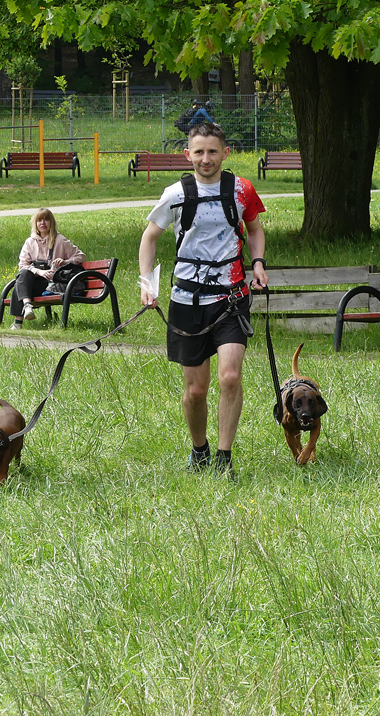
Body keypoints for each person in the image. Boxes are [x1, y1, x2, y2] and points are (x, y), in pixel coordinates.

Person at [139, 121, 267, 477]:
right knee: (196, 390)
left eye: (213, 151)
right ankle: (200, 450)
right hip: (187, 300)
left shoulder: (242, 189)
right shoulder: (175, 194)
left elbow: (255, 229)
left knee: (230, 377)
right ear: (187, 154)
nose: (206, 159)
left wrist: (258, 262)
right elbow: (149, 238)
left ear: (226, 152)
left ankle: (224, 458)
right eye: (199, 152)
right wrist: (147, 283)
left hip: (231, 298)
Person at [9, 208, 85, 329]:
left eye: (46, 220)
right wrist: (39, 271)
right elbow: (22, 265)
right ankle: (27, 306)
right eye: (39, 220)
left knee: (19, 285)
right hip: (35, 281)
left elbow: (81, 256)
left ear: (51, 222)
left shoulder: (60, 240)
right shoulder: (30, 242)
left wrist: (65, 261)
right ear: (35, 223)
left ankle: (18, 321)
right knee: (23, 275)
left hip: (52, 283)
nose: (43, 223)